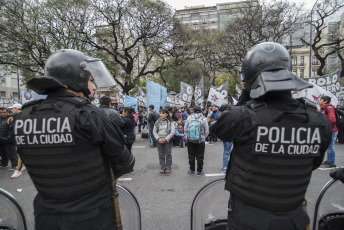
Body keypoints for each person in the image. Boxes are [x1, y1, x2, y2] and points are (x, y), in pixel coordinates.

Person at [211, 42, 332, 230]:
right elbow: (313, 162)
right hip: (295, 219)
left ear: (249, 80)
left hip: (248, 220)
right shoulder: (319, 121)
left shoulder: (243, 117)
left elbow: (219, 128)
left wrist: (246, 92)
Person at [12, 49, 134, 230]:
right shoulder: (89, 115)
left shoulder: (23, 117)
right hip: (91, 217)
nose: (93, 87)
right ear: (78, 77)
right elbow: (125, 163)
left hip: (46, 217)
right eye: (91, 80)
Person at [184, 105, 209, 176]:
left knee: (191, 156)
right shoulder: (204, 119)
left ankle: (192, 170)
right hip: (200, 141)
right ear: (201, 111)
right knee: (200, 156)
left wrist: (187, 137)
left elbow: (185, 128)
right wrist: (203, 137)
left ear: (193, 111)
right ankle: (199, 171)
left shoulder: (189, 118)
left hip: (190, 140)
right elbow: (207, 131)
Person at [153, 108, 175, 175]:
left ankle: (168, 167)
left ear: (166, 114)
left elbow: (172, 132)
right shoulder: (157, 121)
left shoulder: (170, 122)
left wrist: (166, 139)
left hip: (167, 141)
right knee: (161, 155)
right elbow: (154, 131)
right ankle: (162, 167)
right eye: (160, 113)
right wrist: (158, 139)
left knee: (168, 154)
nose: (161, 114)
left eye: (163, 113)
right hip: (159, 140)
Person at [319, 95, 338, 168]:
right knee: (328, 145)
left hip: (332, 130)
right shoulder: (324, 108)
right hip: (329, 129)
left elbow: (332, 120)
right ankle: (328, 160)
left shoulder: (329, 108)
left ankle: (331, 162)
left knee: (330, 145)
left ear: (325, 101)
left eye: (321, 99)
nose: (319, 101)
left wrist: (326, 126)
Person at [7, 104, 25, 179]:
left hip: (21, 138)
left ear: (17, 109)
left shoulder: (20, 116)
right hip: (21, 137)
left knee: (20, 153)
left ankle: (18, 170)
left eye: (13, 108)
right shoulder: (20, 115)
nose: (11, 110)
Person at [219, 103, 231, 174]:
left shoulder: (221, 115)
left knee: (226, 151)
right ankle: (224, 167)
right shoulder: (229, 115)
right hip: (229, 135)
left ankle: (225, 166)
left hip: (225, 135)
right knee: (227, 151)